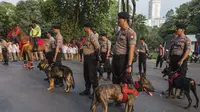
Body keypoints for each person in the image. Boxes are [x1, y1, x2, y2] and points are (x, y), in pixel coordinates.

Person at [112, 12, 137, 84]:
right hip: (116, 59)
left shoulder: (130, 32)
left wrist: (129, 65)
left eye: (119, 19)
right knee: (115, 81)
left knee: (123, 82)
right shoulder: (119, 32)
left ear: (125, 20)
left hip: (123, 60)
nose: (118, 20)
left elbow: (131, 50)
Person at [168, 23, 191, 98]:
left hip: (181, 60)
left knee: (180, 76)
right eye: (176, 28)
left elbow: (187, 50)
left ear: (182, 30)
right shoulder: (174, 39)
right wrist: (168, 58)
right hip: (173, 60)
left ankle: (178, 92)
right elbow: (170, 49)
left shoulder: (186, 39)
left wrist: (182, 60)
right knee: (172, 76)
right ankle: (170, 92)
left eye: (178, 29)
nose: (176, 30)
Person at [79, 22, 100, 99]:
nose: (83, 29)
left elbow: (97, 47)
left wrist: (94, 55)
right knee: (86, 74)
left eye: (84, 27)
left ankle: (96, 92)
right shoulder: (87, 36)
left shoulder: (92, 36)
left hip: (91, 58)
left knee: (92, 75)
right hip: (87, 57)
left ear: (87, 28)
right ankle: (87, 90)